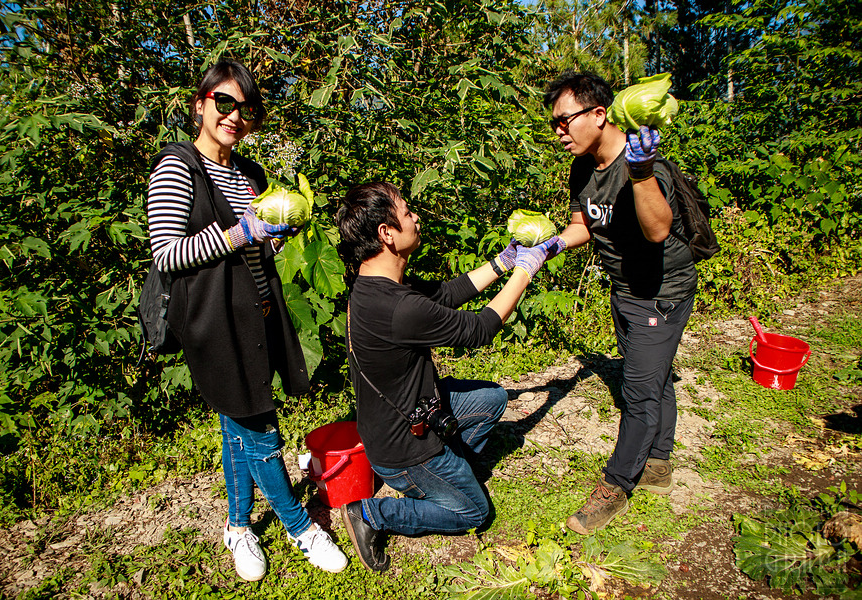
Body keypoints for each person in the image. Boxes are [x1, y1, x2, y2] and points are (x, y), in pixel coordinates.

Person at [146, 58, 347, 581]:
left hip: (257, 311)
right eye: (224, 103)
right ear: (201, 104)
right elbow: (167, 254)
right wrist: (242, 233)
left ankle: (237, 526)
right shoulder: (178, 164)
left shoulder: (249, 175)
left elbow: (255, 251)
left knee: (236, 421)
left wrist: (270, 241)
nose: (234, 116)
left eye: (246, 109)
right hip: (213, 320)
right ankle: (300, 526)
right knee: (258, 425)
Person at [334, 182, 559, 571]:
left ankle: (453, 471)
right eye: (406, 212)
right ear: (386, 234)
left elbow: (442, 296)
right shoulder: (396, 307)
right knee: (474, 512)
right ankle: (371, 514)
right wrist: (525, 271)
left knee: (493, 400)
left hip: (399, 418)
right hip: (404, 449)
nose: (415, 217)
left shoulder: (374, 285)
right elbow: (480, 329)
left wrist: (503, 263)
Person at [543, 73, 697, 534]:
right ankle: (658, 465)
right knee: (651, 375)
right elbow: (583, 224)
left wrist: (643, 173)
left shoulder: (642, 163)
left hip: (660, 292)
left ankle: (616, 486)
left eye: (564, 120)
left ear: (598, 114)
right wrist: (546, 246)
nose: (559, 132)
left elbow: (657, 231)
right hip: (624, 290)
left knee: (638, 390)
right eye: (554, 123)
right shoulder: (583, 166)